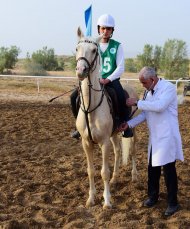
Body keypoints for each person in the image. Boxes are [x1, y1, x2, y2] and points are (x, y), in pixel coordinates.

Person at [119, 66, 184, 216]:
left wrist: (136, 102)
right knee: (152, 168)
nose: (142, 85)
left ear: (153, 79)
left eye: (144, 82)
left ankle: (173, 203)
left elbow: (159, 107)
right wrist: (128, 124)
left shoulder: (168, 88)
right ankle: (152, 197)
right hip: (155, 137)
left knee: (169, 171)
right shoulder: (148, 92)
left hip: (167, 136)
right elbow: (145, 114)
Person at [71, 14, 132, 139]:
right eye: (103, 28)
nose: (105, 31)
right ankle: (79, 127)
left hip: (111, 80)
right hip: (94, 80)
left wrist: (108, 79)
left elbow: (120, 67)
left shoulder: (117, 46)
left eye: (108, 29)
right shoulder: (92, 44)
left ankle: (124, 125)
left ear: (112, 31)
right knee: (74, 97)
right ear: (99, 29)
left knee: (122, 97)